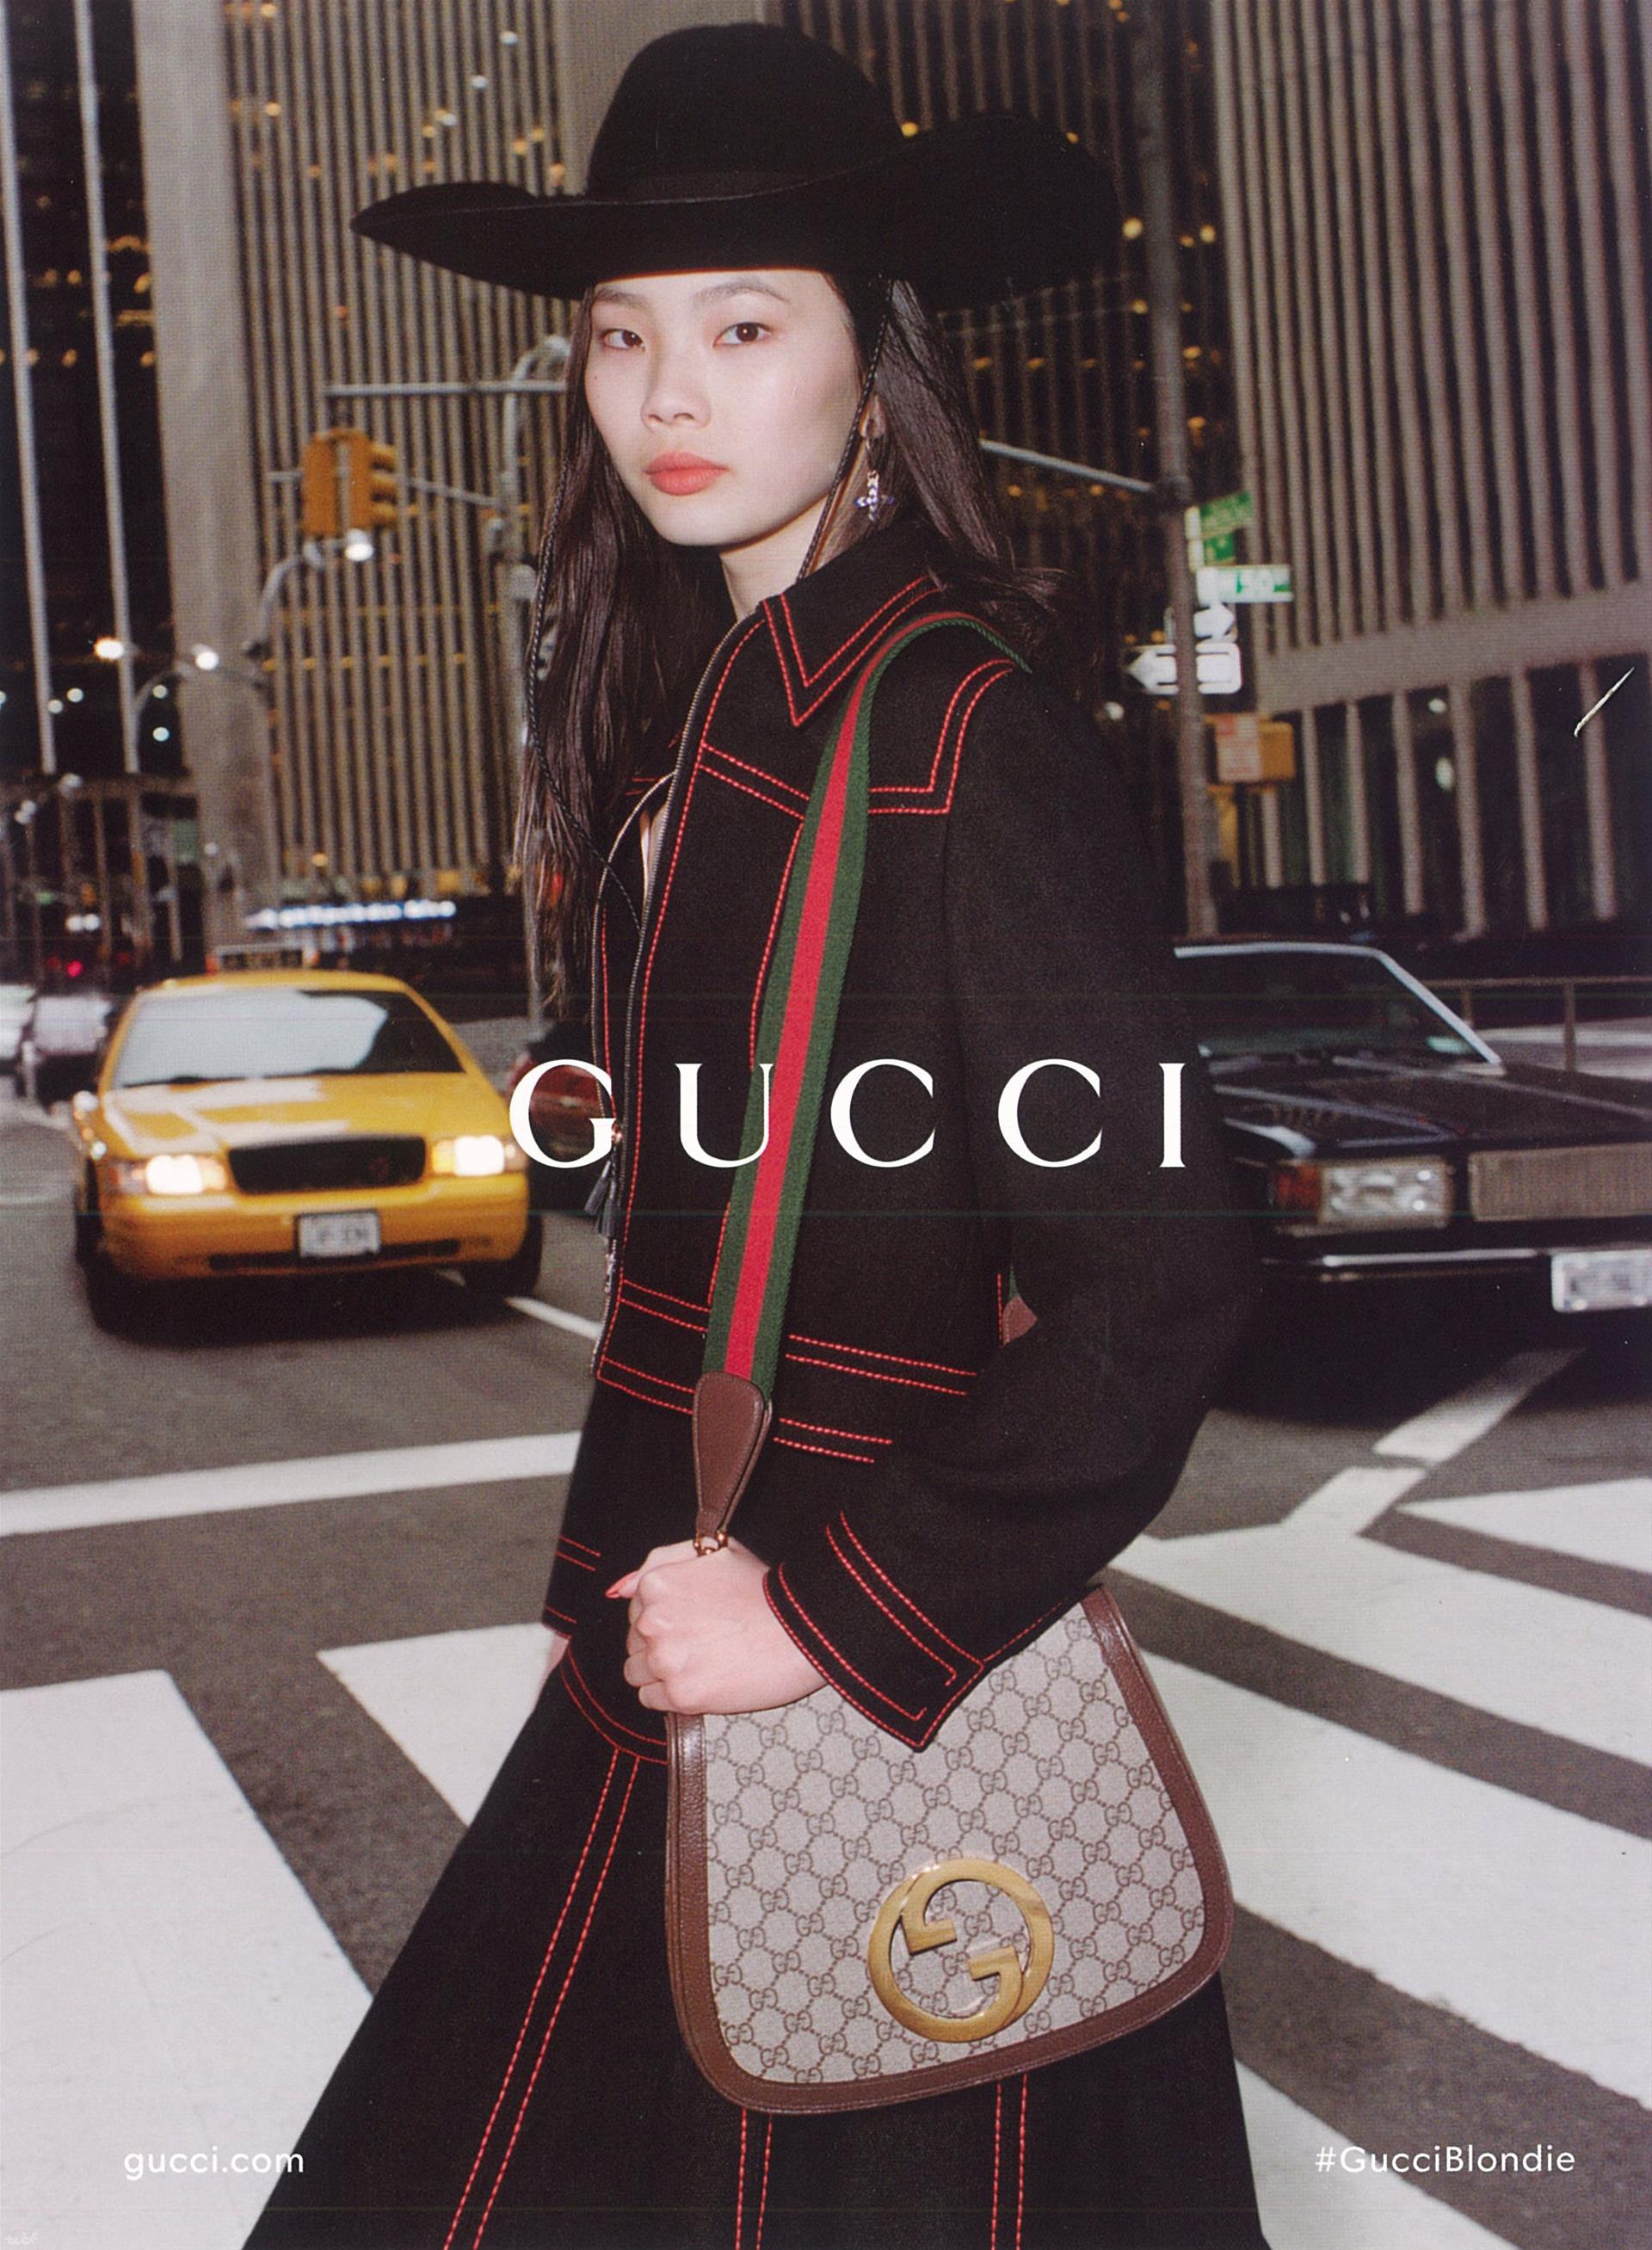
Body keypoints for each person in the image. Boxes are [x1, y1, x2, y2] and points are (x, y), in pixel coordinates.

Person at [245, 24, 1269, 2249]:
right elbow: (694, 1267)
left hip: (861, 1654)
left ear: (870, 365)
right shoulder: (717, 727)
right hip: (689, 1622)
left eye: (741, 327)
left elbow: (1161, 1271)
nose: (668, 395)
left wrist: (827, 1614)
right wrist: (594, 1586)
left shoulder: (954, 730)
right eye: (622, 336)